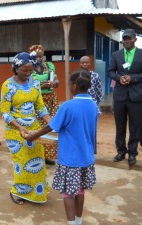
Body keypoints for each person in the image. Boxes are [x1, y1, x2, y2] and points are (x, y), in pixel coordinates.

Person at [24, 70, 98, 225]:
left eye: (70, 84)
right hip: (86, 156)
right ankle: (78, 221)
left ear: (75, 86)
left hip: (70, 158)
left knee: (68, 194)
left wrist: (32, 136)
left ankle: (72, 223)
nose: (69, 87)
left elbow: (51, 127)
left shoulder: (68, 106)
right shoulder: (93, 105)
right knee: (80, 190)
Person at [0, 52, 51, 204]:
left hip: (34, 130)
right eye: (25, 70)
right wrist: (20, 127)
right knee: (22, 162)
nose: (28, 73)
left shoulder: (35, 82)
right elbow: (5, 112)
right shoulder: (7, 85)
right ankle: (17, 192)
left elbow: (40, 107)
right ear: (15, 68)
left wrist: (52, 123)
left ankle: (37, 192)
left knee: (37, 162)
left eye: (30, 70)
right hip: (16, 131)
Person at [108, 28, 142, 166]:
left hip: (137, 96)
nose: (127, 41)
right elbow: (110, 71)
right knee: (120, 125)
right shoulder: (116, 55)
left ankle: (132, 153)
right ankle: (121, 151)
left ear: (135, 39)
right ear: (122, 41)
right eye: (125, 38)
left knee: (135, 126)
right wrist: (119, 77)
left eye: (129, 38)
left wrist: (132, 78)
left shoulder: (141, 54)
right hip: (120, 95)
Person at [28, 44, 59, 165]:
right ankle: (37, 155)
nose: (39, 59)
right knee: (38, 128)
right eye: (36, 57)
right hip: (37, 101)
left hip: (51, 100)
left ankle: (48, 156)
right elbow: (28, 85)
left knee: (51, 126)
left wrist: (54, 83)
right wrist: (42, 85)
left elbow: (57, 80)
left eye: (41, 56)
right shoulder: (28, 69)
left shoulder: (49, 66)